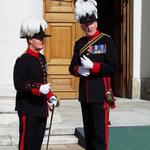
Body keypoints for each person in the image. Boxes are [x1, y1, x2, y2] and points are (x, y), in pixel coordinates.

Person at [69, 0, 117, 150]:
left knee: (100, 138)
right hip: (85, 96)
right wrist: (79, 70)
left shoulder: (106, 40)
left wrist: (93, 67)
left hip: (100, 95)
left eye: (91, 22)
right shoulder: (80, 43)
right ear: (82, 25)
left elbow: (112, 66)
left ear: (96, 22)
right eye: (85, 24)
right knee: (88, 138)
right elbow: (72, 67)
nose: (89, 26)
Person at [13, 16, 58, 150]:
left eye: (42, 37)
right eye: (39, 38)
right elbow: (19, 84)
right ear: (30, 39)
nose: (42, 40)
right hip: (28, 107)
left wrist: (50, 96)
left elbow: (43, 81)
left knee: (37, 144)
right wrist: (37, 89)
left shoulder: (42, 58)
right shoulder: (22, 60)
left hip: (40, 107)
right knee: (27, 144)